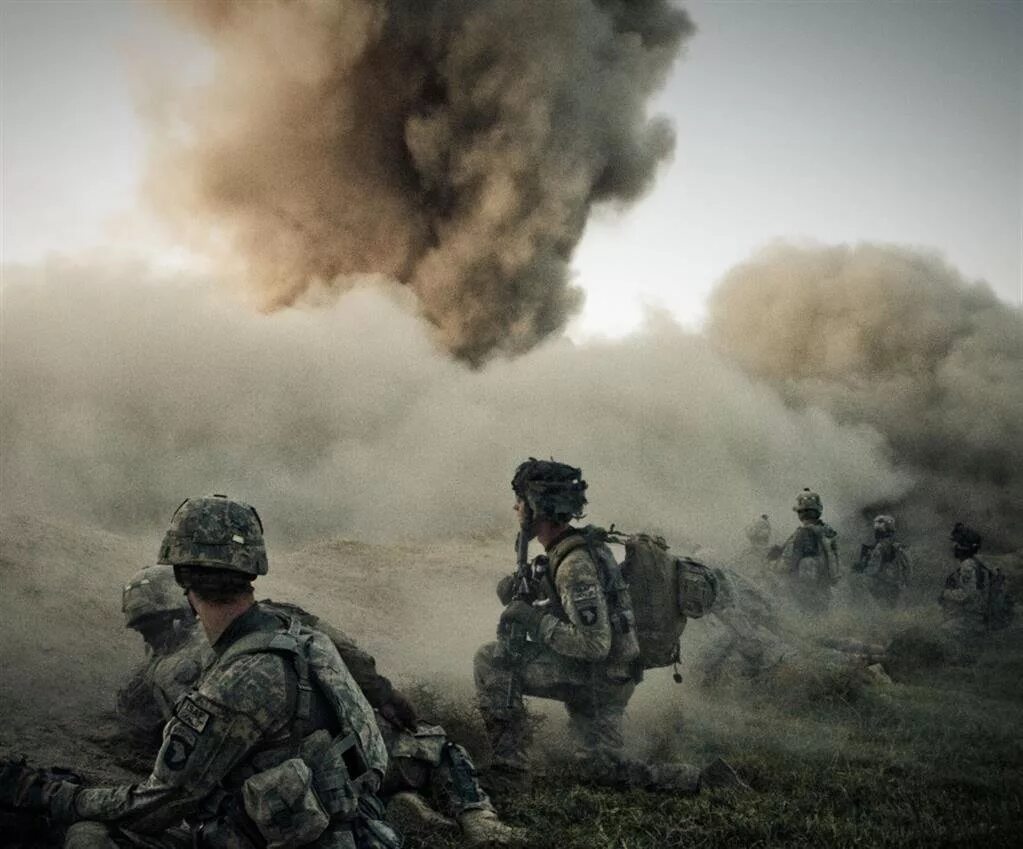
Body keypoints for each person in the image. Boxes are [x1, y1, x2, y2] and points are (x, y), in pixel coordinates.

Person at [1, 494, 396, 849]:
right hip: (356, 828)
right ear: (253, 569)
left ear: (180, 579)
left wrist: (44, 791)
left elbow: (157, 805)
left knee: (90, 835)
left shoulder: (236, 684)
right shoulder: (306, 639)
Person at [113, 577, 520, 847]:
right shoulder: (273, 617)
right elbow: (345, 650)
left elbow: (162, 750)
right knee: (434, 746)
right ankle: (476, 816)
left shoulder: (149, 682)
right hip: (344, 762)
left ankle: (397, 806)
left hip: (270, 803)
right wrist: (386, 695)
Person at [474, 459, 745, 796]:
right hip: (614, 677)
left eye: (519, 500)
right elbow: (568, 593)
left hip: (595, 677)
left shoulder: (575, 564)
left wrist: (533, 619)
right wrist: (522, 587)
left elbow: (593, 643)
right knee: (602, 771)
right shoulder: (578, 547)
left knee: (491, 660)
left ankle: (509, 771)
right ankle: (702, 780)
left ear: (535, 507)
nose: (515, 507)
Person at [768, 488, 840, 615]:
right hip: (824, 589)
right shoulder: (827, 531)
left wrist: (771, 563)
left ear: (800, 513)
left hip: (806, 592)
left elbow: (787, 564)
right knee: (823, 621)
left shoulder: (801, 534)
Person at [939, 523, 1013, 635]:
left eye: (955, 542)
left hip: (972, 620)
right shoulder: (977, 563)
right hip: (978, 618)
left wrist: (946, 594)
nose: (952, 546)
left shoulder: (968, 566)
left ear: (961, 546)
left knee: (942, 632)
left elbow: (969, 594)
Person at [853, 515, 911, 609]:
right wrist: (905, 582)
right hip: (897, 584)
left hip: (884, 584)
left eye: (877, 531)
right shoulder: (897, 545)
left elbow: (874, 568)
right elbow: (907, 566)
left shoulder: (880, 547)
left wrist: (862, 570)